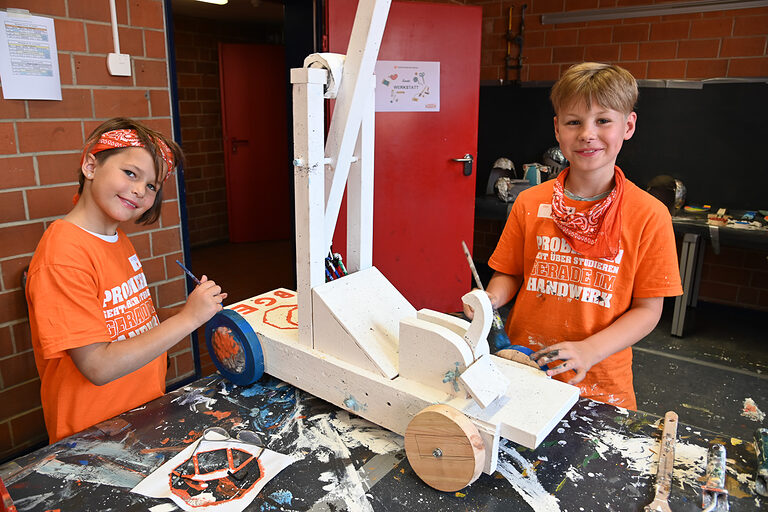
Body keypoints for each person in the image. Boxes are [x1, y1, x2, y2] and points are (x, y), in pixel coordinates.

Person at [467, 63, 682, 409]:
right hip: (523, 366)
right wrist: (489, 300)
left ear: (628, 126)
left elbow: (648, 310)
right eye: (573, 122)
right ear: (557, 129)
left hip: (598, 385)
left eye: (603, 121)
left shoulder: (649, 215)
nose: (587, 134)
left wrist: (590, 349)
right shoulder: (530, 201)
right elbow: (510, 271)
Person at [26, 118, 227, 443]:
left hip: (140, 413)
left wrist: (183, 314)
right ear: (91, 165)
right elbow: (98, 366)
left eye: (151, 186)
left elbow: (127, 319)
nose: (139, 190)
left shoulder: (115, 238)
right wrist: (189, 319)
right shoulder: (63, 254)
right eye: (131, 173)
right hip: (94, 435)